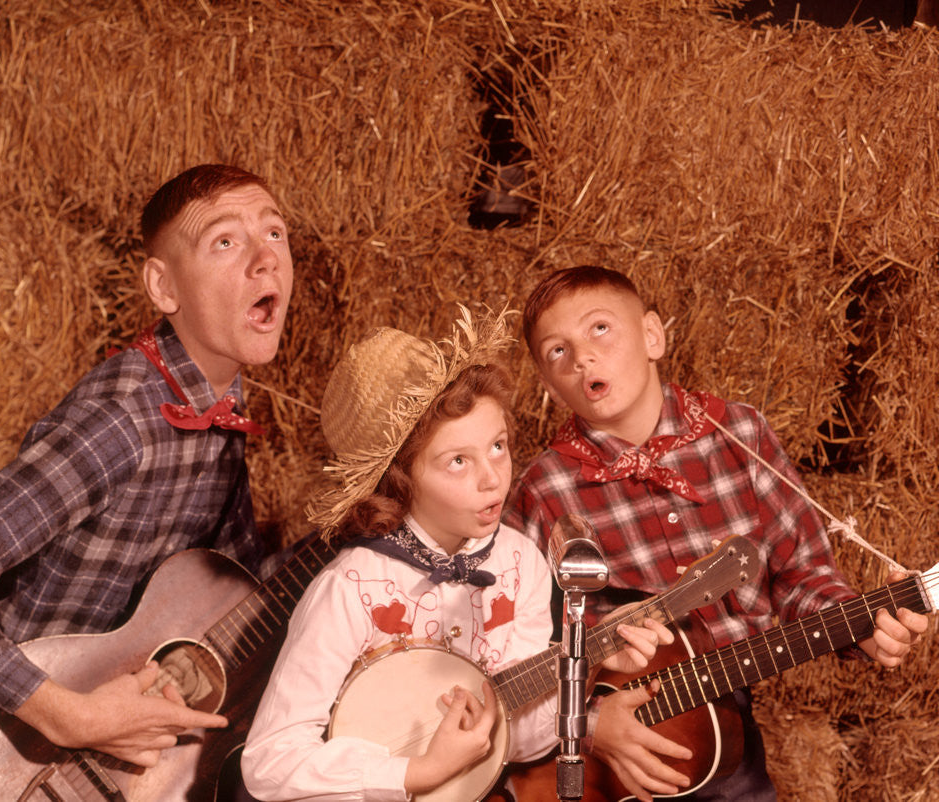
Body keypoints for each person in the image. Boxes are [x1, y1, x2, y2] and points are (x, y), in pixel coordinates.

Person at [504, 265, 929, 802]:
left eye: (600, 330)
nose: (582, 356)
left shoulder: (741, 434)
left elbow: (801, 573)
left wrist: (862, 627)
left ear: (653, 336)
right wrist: (588, 724)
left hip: (718, 725)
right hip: (594, 742)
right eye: (557, 352)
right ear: (547, 383)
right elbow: (512, 645)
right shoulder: (544, 486)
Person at [240, 308, 667, 801]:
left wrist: (587, 663)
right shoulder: (353, 588)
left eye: (499, 446)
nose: (492, 477)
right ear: (400, 480)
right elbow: (268, 762)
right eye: (458, 461)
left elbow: (522, 742)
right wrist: (414, 773)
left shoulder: (520, 562)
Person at [0, 163, 294, 767]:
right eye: (225, 241)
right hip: (12, 748)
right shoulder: (119, 424)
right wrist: (70, 716)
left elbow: (237, 586)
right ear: (164, 288)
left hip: (103, 744)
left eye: (274, 232)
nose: (264, 259)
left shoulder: (224, 404)